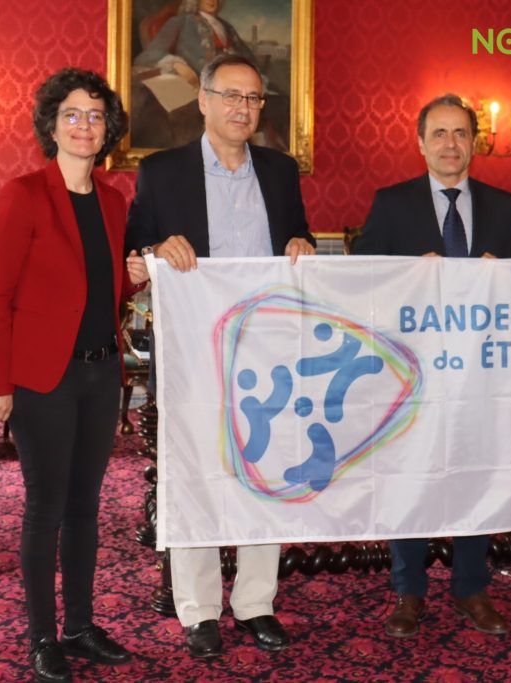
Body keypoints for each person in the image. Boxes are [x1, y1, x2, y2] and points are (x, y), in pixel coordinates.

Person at [125, 53, 315, 658]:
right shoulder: (162, 171)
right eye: (230, 95)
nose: (242, 107)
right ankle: (199, 610)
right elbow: (136, 248)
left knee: (265, 472)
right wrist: (155, 248)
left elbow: (300, 238)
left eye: (253, 98)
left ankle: (256, 602)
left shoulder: (280, 171)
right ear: (202, 100)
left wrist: (301, 243)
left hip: (268, 349)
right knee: (196, 476)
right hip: (193, 352)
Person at [0, 68, 150, 682]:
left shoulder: (112, 200)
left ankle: (79, 626)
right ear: (51, 126)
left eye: (96, 116)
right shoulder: (23, 194)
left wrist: (131, 280)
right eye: (72, 114)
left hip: (101, 377)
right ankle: (42, 636)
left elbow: (98, 288)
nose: (85, 125)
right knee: (45, 508)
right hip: (41, 381)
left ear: (108, 131)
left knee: (86, 507)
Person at [353, 93, 511, 638]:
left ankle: (471, 587)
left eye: (460, 134)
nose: (451, 144)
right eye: (440, 134)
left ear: (474, 142)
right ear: (420, 142)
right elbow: (361, 279)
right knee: (412, 477)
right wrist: (408, 271)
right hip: (413, 373)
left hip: (479, 372)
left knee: (476, 474)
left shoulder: (504, 205)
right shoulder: (391, 203)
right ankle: (409, 591)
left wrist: (506, 275)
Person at [131, 0, 258, 149]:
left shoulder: (227, 27)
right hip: (197, 86)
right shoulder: (182, 21)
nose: (212, 1)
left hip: (234, 90)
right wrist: (177, 64)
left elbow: (250, 60)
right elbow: (149, 55)